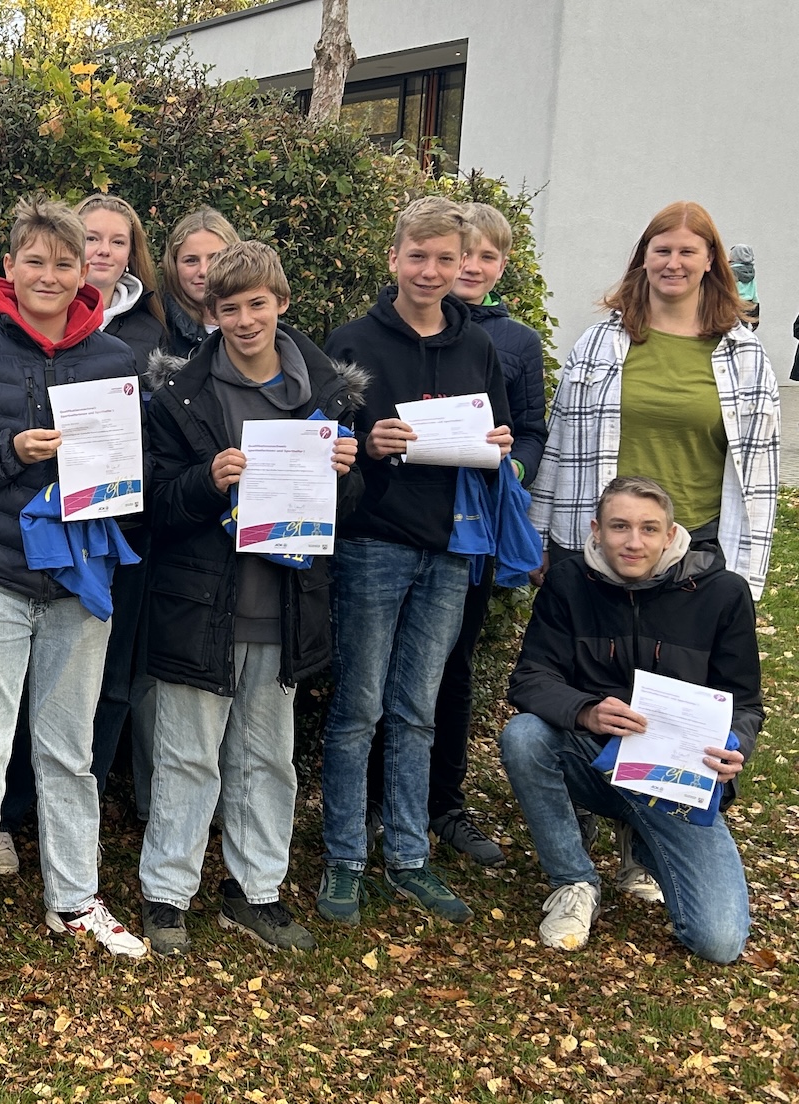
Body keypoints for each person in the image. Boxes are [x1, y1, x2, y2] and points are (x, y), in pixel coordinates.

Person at [0, 196, 147, 976]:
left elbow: (139, 476)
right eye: (33, 261)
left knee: (70, 754)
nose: (48, 275)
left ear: (89, 273)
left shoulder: (115, 361)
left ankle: (75, 898)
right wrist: (7, 450)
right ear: (7, 268)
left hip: (81, 579)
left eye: (64, 262)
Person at [138, 241, 364, 954]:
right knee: (187, 755)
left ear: (282, 304)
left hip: (286, 604)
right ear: (209, 314)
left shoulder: (324, 393)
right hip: (199, 603)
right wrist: (207, 481)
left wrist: (346, 474)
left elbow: (345, 517)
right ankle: (167, 895)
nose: (243, 320)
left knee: (268, 757)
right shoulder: (180, 395)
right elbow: (153, 508)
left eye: (256, 304)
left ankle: (255, 892)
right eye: (227, 308)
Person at [316, 196, 513, 927]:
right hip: (374, 543)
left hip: (451, 546)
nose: (431, 271)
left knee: (417, 711)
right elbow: (325, 446)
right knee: (358, 708)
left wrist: (499, 446)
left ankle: (408, 856)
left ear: (464, 264)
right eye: (418, 256)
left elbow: (499, 433)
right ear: (394, 258)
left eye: (445, 259)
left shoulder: (478, 348)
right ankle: (343, 858)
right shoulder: (354, 340)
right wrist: (366, 446)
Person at [499, 477, 756, 963]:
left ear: (671, 533)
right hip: (596, 754)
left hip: (677, 780)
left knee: (718, 942)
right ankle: (573, 881)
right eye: (619, 527)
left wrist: (736, 743)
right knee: (526, 735)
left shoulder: (723, 593)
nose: (633, 542)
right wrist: (585, 711)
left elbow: (744, 699)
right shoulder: (569, 582)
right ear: (596, 530)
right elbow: (531, 677)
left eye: (648, 529)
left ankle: (639, 841)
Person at [367, 202, 550, 866]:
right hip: (389, 531)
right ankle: (371, 807)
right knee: (374, 679)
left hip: (465, 531)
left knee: (448, 669)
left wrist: (508, 459)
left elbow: (526, 426)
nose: (464, 267)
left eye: (479, 257)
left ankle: (437, 802)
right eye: (452, 254)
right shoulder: (380, 332)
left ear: (499, 266)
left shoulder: (508, 342)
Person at [531, 202, 777, 601]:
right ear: (644, 257)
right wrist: (538, 533)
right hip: (596, 541)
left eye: (687, 252)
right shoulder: (598, 344)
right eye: (662, 251)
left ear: (711, 259)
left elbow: (760, 471)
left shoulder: (744, 355)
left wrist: (750, 569)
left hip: (696, 544)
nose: (673, 264)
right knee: (587, 661)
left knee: (675, 664)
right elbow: (558, 443)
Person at [75, 193, 171, 820]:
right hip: (56, 519)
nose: (103, 251)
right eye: (91, 238)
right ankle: (23, 803)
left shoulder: (151, 333)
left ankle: (90, 791)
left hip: (126, 525)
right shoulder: (46, 318)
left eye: (117, 240)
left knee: (111, 678)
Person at [157, 207, 240, 358]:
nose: (203, 271)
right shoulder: (155, 327)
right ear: (174, 266)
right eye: (191, 260)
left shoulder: (259, 325)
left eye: (216, 258)